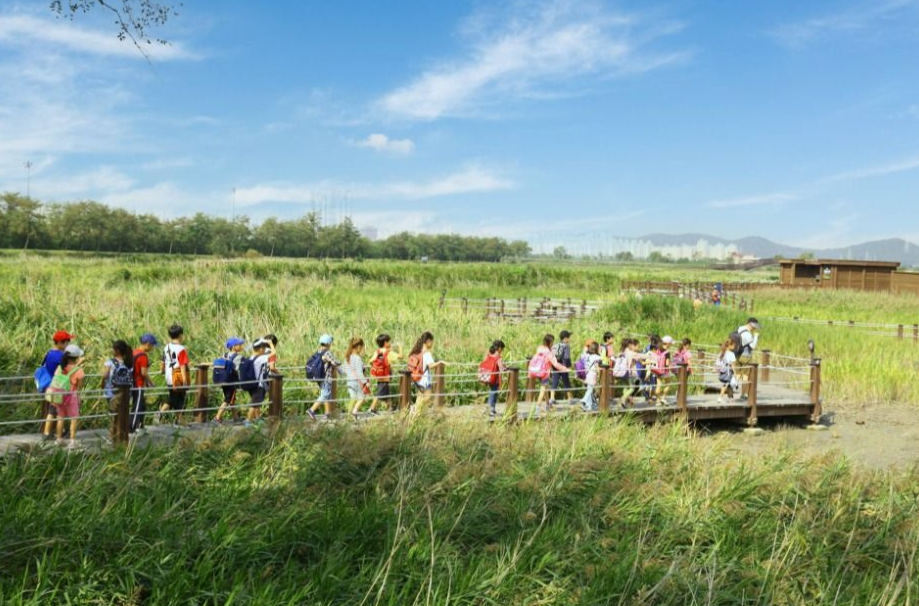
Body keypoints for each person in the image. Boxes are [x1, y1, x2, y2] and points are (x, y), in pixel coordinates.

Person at [40, 330, 76, 441]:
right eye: (67, 343)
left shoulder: (49, 353)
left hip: (50, 386)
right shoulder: (61, 356)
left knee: (53, 411)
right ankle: (53, 433)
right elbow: (67, 369)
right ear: (60, 342)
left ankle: (50, 432)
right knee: (57, 412)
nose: (68, 345)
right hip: (58, 387)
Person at [528, 334, 569, 416]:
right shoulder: (549, 353)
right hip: (544, 373)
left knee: (546, 388)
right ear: (551, 342)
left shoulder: (539, 348)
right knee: (543, 390)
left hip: (537, 371)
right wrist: (565, 369)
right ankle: (537, 407)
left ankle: (547, 405)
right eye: (553, 341)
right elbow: (556, 364)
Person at [101, 340, 134, 441]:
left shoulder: (110, 362)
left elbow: (105, 376)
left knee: (113, 415)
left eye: (113, 349)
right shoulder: (128, 362)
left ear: (117, 350)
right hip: (125, 393)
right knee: (123, 415)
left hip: (112, 392)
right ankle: (122, 436)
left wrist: (102, 385)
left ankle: (112, 436)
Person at [54, 345, 85, 450]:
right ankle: (72, 441)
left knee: (60, 418)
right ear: (76, 357)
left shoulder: (60, 367)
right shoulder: (79, 370)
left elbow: (56, 378)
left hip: (60, 396)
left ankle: (59, 439)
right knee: (73, 419)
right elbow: (80, 385)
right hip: (72, 397)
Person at [407, 331, 445, 411]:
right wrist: (440, 362)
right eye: (432, 342)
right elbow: (431, 366)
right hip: (424, 380)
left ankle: (416, 414)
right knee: (427, 397)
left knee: (420, 397)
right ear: (428, 341)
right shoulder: (426, 353)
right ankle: (414, 408)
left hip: (417, 378)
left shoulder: (418, 351)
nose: (432, 344)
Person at [160, 324, 190, 426]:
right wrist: (185, 380)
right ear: (181, 335)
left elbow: (163, 361)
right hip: (178, 377)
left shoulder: (166, 347)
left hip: (169, 376)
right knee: (179, 398)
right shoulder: (181, 349)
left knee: (174, 397)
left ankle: (179, 420)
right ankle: (161, 412)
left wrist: (162, 370)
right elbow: (182, 365)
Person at [308, 335, 340, 420]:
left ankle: (327, 414)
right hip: (326, 377)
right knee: (325, 395)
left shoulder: (319, 351)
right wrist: (341, 365)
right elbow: (335, 362)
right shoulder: (327, 353)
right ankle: (311, 410)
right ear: (328, 343)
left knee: (327, 394)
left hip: (320, 376)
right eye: (330, 343)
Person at [214, 337, 245, 425]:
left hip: (224, 380)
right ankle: (217, 418)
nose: (241, 346)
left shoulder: (225, 354)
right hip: (232, 381)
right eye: (239, 345)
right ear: (234, 347)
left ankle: (235, 417)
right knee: (228, 400)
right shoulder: (239, 357)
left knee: (232, 399)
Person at [131, 333, 158, 434]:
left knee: (141, 405)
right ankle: (132, 427)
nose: (152, 348)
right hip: (138, 384)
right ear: (148, 344)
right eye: (152, 345)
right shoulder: (143, 356)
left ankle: (140, 425)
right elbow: (143, 372)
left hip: (132, 383)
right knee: (137, 406)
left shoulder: (134, 352)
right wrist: (151, 383)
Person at [369, 333, 401, 412]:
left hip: (379, 376)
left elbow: (370, 361)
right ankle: (371, 408)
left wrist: (376, 368)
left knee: (386, 393)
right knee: (379, 393)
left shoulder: (377, 352)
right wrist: (400, 347)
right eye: (388, 341)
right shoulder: (388, 352)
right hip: (385, 376)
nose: (390, 343)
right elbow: (401, 356)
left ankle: (390, 408)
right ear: (385, 342)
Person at [343, 337, 371, 418]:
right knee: (362, 398)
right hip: (357, 382)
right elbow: (359, 372)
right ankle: (354, 413)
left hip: (349, 381)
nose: (362, 349)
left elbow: (344, 370)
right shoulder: (357, 358)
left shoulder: (347, 357)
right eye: (362, 347)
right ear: (358, 347)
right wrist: (365, 382)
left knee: (353, 398)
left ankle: (349, 414)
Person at [246, 338, 272, 426]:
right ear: (260, 349)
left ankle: (258, 418)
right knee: (255, 403)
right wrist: (271, 344)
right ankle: (248, 421)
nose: (265, 350)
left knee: (256, 402)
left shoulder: (251, 357)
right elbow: (273, 355)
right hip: (258, 384)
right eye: (264, 349)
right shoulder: (262, 358)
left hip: (251, 383)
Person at [734, 318, 761, 399]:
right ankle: (744, 394)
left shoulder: (739, 328)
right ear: (750, 324)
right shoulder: (748, 334)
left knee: (738, 374)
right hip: (745, 356)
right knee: (745, 376)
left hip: (737, 354)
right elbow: (752, 346)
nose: (755, 328)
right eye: (754, 327)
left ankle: (730, 389)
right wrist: (756, 337)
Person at [480, 340, 505, 417]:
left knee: (492, 393)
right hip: (495, 379)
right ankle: (490, 410)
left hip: (488, 377)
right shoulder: (498, 357)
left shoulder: (489, 355)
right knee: (493, 394)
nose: (502, 351)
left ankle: (492, 409)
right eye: (502, 349)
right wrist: (505, 369)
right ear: (499, 348)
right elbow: (501, 369)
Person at [549, 330, 573, 406]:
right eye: (568, 337)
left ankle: (552, 398)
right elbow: (567, 357)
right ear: (565, 338)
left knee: (555, 381)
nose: (569, 339)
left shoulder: (555, 345)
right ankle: (570, 399)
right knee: (566, 382)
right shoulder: (566, 346)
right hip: (563, 366)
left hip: (555, 366)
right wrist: (569, 366)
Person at [579, 341, 602, 412]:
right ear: (597, 349)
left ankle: (589, 406)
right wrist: (599, 374)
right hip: (592, 374)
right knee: (590, 390)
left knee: (590, 389)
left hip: (587, 374)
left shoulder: (589, 356)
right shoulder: (597, 357)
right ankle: (583, 401)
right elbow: (597, 367)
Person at [652, 336, 674, 405]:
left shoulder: (657, 350)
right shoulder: (667, 352)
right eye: (671, 344)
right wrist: (671, 365)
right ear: (667, 343)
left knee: (658, 385)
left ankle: (658, 401)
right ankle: (663, 398)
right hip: (665, 371)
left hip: (657, 370)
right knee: (668, 384)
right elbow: (667, 364)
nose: (671, 345)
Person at [717, 338, 738, 403]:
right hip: (728, 372)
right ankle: (720, 397)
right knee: (726, 384)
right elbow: (733, 365)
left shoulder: (722, 352)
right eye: (734, 345)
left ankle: (731, 397)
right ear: (730, 345)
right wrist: (735, 373)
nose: (734, 347)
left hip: (723, 370)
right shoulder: (731, 354)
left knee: (729, 384)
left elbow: (718, 362)